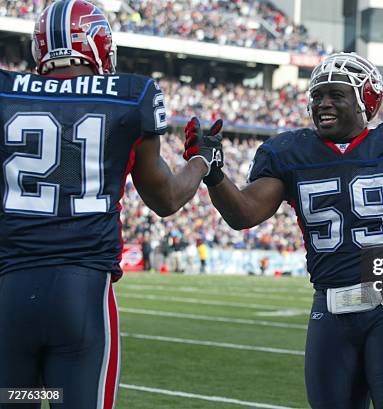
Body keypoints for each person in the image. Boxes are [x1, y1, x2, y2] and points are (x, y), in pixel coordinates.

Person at [193, 52, 383, 408]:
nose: (323, 103)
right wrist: (214, 174)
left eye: (336, 95)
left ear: (366, 100)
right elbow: (244, 213)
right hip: (330, 308)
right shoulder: (291, 153)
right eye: (317, 96)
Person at [0, 1, 222, 408]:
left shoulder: (6, 91)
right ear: (100, 45)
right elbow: (166, 198)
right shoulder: (129, 96)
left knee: (19, 398)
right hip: (81, 299)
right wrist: (201, 161)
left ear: (39, 48)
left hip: (10, 300)